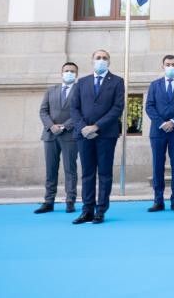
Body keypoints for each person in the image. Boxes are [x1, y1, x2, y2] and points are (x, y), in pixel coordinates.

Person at [70, 50, 125, 224]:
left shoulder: (117, 82)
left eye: (104, 58)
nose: (101, 61)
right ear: (92, 60)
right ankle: (87, 210)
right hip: (84, 135)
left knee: (104, 173)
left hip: (106, 134)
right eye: (98, 58)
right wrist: (82, 127)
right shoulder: (82, 82)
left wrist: (97, 126)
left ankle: (100, 210)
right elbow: (74, 108)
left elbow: (117, 108)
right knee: (87, 173)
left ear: (109, 61)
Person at [145, 54, 174, 212]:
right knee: (157, 165)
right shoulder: (154, 85)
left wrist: (173, 121)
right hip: (158, 132)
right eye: (167, 64)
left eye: (173, 64)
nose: (170, 67)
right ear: (162, 66)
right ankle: (158, 200)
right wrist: (161, 123)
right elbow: (149, 106)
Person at [34, 62, 80, 214]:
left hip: (69, 135)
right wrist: (51, 126)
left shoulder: (79, 91)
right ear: (61, 73)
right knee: (50, 170)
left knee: (70, 170)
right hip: (50, 135)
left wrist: (65, 126)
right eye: (66, 71)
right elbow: (43, 111)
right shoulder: (51, 90)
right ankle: (48, 201)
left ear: (76, 74)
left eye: (72, 71)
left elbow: (81, 113)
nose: (69, 73)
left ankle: (70, 200)